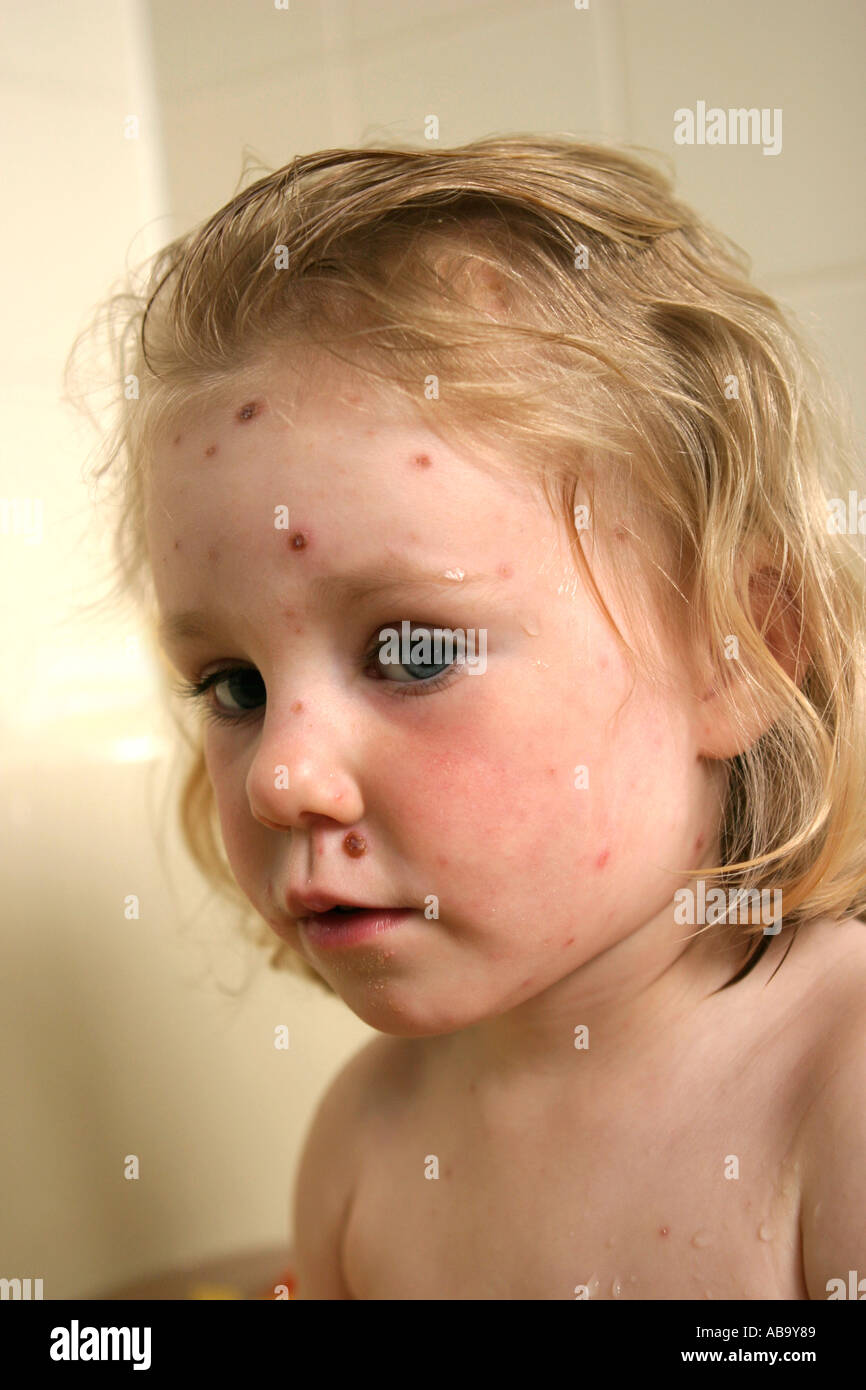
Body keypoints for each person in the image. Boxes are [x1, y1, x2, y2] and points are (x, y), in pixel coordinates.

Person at [70, 135, 866, 1299]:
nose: (277, 778)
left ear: (736, 653)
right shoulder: (366, 1148)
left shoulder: (833, 1087)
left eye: (410, 652)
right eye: (233, 686)